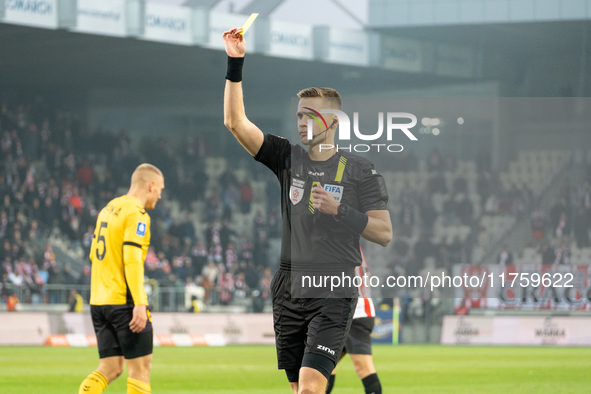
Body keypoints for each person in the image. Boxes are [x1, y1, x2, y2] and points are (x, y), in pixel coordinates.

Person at [222, 28, 392, 394]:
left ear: (331, 122)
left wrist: (341, 210)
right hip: (288, 286)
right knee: (300, 388)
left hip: (334, 285)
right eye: (299, 114)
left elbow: (383, 233)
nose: (301, 122)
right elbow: (235, 123)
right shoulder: (287, 157)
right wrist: (235, 64)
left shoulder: (361, 170)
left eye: (310, 115)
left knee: (312, 388)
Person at [78, 164, 164, 394]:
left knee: (110, 368)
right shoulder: (137, 214)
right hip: (123, 302)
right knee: (141, 370)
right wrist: (139, 302)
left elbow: (93, 255)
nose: (160, 195)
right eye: (160, 189)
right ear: (151, 185)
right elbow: (132, 260)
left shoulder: (108, 209)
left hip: (99, 301)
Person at [327, 248, 382, 394]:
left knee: (363, 368)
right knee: (322, 367)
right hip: (347, 313)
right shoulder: (347, 242)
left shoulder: (342, 245)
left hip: (355, 313)